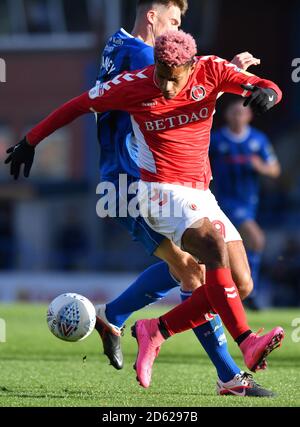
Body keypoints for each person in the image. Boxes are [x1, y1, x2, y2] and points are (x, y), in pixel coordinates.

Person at [4, 30, 284, 396]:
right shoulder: (133, 84)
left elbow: (265, 85)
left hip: (201, 194)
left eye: (174, 78)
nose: (166, 86)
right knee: (209, 251)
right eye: (161, 75)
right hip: (159, 192)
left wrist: (266, 93)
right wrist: (30, 140)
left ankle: (156, 329)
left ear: (190, 66)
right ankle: (246, 341)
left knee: (241, 284)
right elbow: (75, 106)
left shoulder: (212, 71)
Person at [210, 99, 281, 309]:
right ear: (226, 115)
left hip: (250, 202)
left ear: (249, 116)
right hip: (224, 201)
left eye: (241, 114)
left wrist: (261, 167)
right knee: (256, 239)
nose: (237, 117)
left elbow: (275, 170)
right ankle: (250, 290)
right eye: (233, 113)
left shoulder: (258, 140)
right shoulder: (216, 139)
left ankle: (241, 290)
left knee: (232, 247)